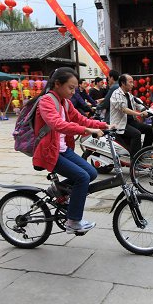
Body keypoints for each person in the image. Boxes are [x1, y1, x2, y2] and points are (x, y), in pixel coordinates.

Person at [31, 67, 109, 234]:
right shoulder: (46, 101)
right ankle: (73, 221)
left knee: (91, 173)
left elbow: (80, 119)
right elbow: (57, 124)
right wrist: (87, 131)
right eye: (71, 88)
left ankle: (57, 190)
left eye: (75, 88)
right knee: (82, 177)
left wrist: (104, 125)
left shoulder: (65, 102)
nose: (73, 92)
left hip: (63, 149)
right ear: (57, 84)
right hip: (50, 152)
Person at [110, 73, 152, 158]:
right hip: (120, 124)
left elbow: (137, 104)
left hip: (130, 122)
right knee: (136, 134)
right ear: (122, 83)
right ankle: (135, 159)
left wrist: (145, 110)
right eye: (130, 82)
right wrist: (139, 114)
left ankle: (145, 152)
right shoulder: (116, 94)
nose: (133, 84)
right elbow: (124, 109)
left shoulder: (129, 94)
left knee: (150, 129)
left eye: (133, 82)